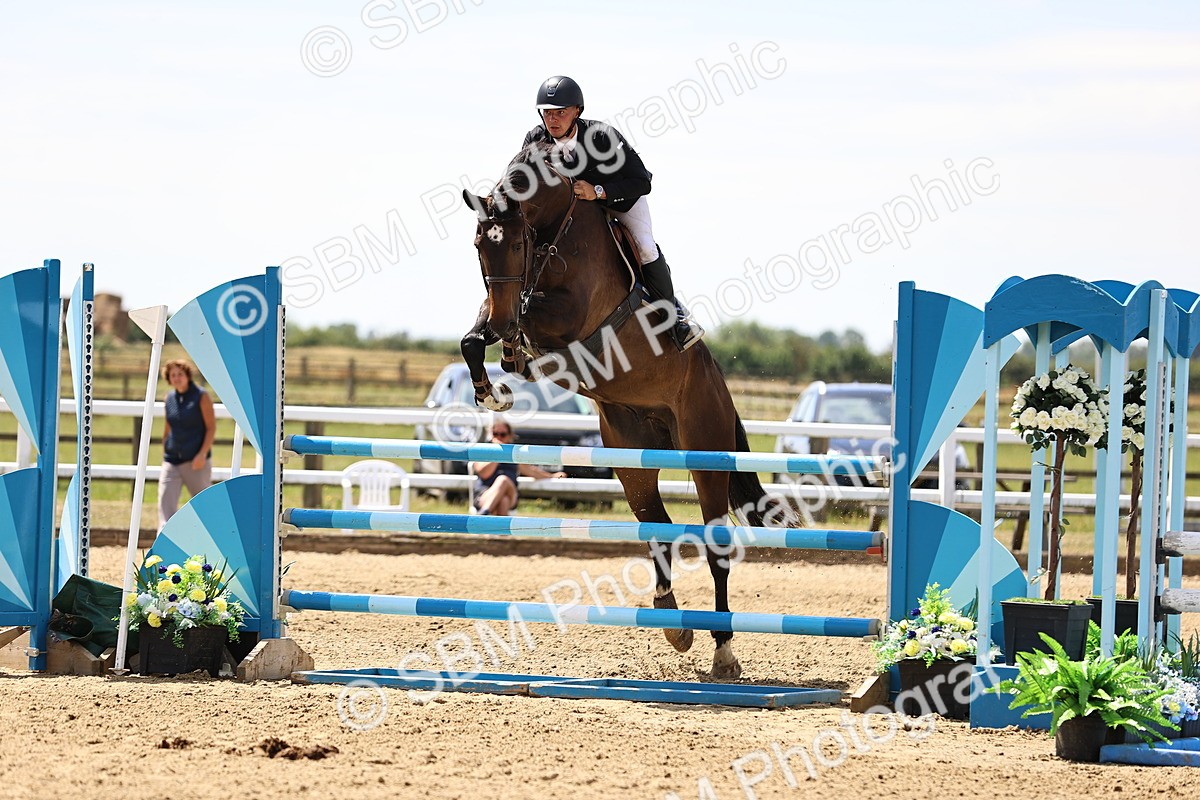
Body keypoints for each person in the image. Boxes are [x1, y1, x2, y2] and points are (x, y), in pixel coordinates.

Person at [521, 75, 704, 351]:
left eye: (561, 112)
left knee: (644, 247)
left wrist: (598, 191)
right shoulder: (535, 139)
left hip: (620, 200)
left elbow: (642, 182)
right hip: (574, 210)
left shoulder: (602, 136)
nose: (553, 119)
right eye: (547, 112)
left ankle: (674, 318)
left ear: (577, 112)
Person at [158, 359, 216, 529]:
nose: (177, 378)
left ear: (187, 376)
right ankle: (163, 549)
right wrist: (165, 446)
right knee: (165, 507)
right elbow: (168, 426)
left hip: (195, 462)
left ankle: (212, 542)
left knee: (204, 506)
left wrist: (202, 454)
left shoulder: (201, 397)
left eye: (180, 374)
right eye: (173, 375)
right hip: (172, 460)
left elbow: (211, 428)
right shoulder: (169, 398)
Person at [471, 422, 566, 515]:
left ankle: (484, 514)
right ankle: (501, 529)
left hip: (510, 492)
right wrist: (498, 452)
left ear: (509, 436)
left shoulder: (514, 455)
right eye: (495, 434)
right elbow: (484, 473)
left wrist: (552, 476)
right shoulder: (483, 450)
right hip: (485, 494)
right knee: (504, 500)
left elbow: (532, 471)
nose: (498, 437)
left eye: (503, 434)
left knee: (503, 480)